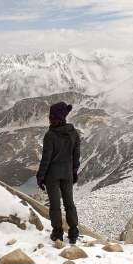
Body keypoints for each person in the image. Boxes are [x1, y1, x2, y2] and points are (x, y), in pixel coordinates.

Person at [36, 102, 80, 244]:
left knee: (55, 205)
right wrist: (74, 170)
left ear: (54, 116)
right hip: (67, 172)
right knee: (69, 203)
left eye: (50, 113)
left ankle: (58, 234)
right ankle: (73, 233)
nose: (48, 115)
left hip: (52, 175)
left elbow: (46, 158)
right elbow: (76, 154)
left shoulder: (50, 135)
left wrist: (40, 175)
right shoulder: (73, 132)